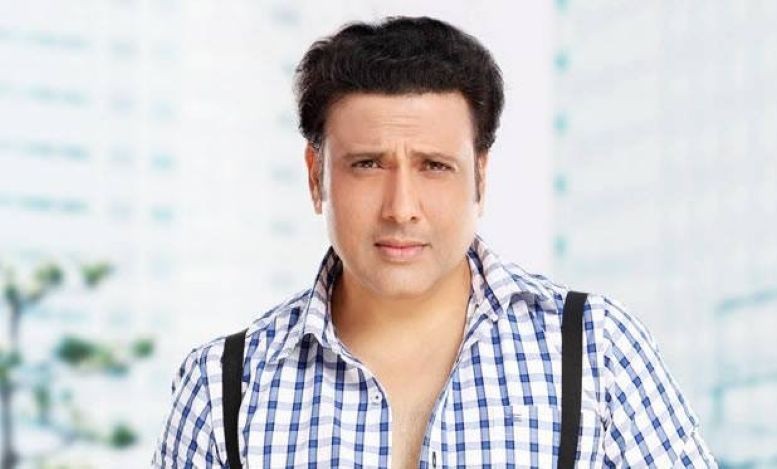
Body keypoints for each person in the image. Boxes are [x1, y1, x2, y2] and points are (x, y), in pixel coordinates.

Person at [152, 16, 716, 468]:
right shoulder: (223, 387)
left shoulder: (596, 351)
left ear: (480, 177)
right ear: (315, 176)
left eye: (434, 166)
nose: (401, 207)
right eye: (367, 164)